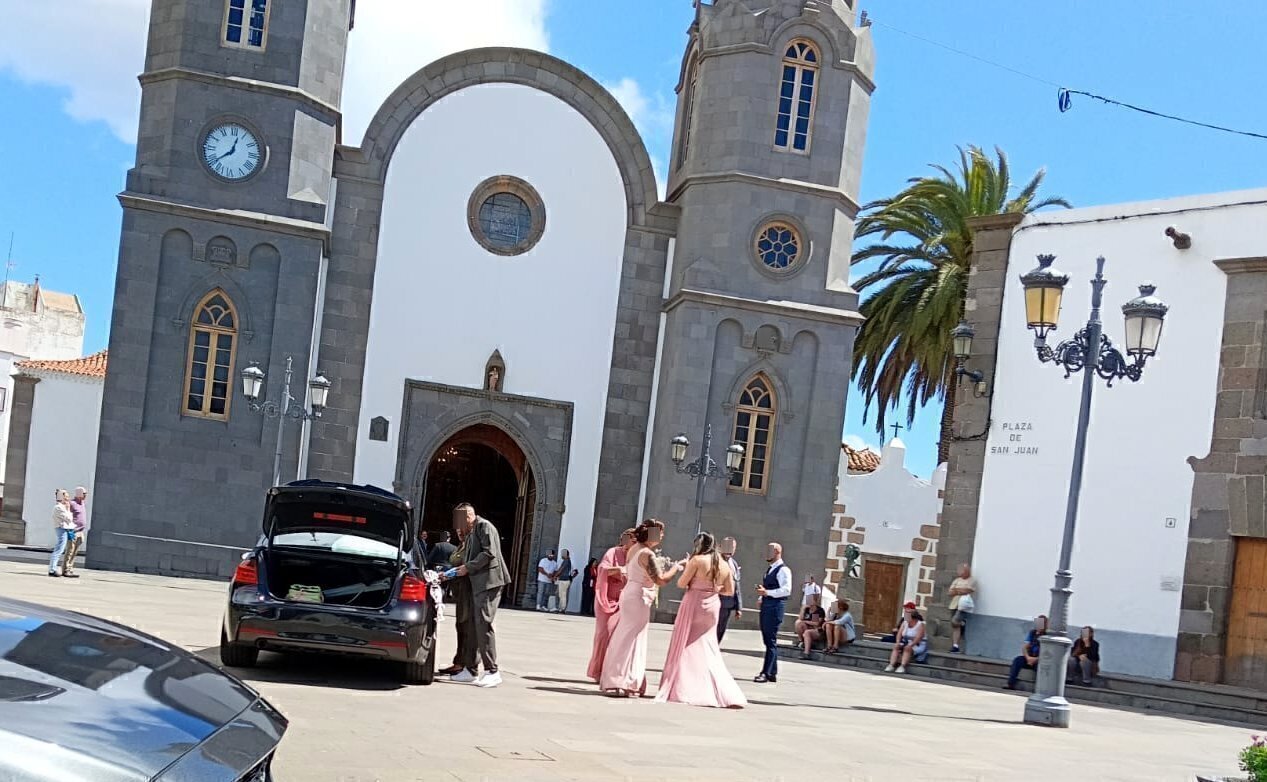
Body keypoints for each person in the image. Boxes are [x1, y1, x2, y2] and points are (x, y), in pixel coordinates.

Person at [654, 531, 747, 708]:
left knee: (686, 643)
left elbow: (681, 583)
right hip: (713, 604)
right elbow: (729, 591)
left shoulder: (697, 561)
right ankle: (720, 688)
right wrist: (714, 588)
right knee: (708, 645)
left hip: (694, 602)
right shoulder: (725, 565)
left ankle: (686, 686)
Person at [600, 519, 683, 697]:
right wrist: (675, 568)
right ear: (651, 534)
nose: (662, 536)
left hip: (629, 592)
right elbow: (660, 579)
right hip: (638, 596)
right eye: (659, 533)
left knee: (624, 636)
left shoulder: (633, 549)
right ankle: (625, 680)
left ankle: (616, 678)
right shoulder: (647, 554)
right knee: (633, 638)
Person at [443, 503, 510, 688]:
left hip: (489, 583)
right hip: (476, 583)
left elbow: (490, 553)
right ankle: (470, 670)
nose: (458, 528)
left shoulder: (484, 527)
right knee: (473, 624)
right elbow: (467, 558)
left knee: (483, 622)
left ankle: (492, 670)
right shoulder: (472, 532)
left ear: (469, 516)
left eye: (460, 521)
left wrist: (467, 568)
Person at [587, 528, 635, 681]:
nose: (629, 544)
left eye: (633, 541)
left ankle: (613, 671)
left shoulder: (638, 555)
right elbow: (602, 569)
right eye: (626, 540)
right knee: (604, 633)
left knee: (620, 637)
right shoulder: (613, 552)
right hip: (607, 599)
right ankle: (597, 671)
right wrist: (620, 570)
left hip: (626, 600)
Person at [438, 523, 474, 678]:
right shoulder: (461, 545)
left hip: (468, 590)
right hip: (459, 591)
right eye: (458, 530)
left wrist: (448, 574)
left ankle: (466, 665)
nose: (460, 532)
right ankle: (458, 662)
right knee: (460, 625)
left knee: (466, 627)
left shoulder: (472, 546)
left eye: (463, 530)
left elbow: (466, 567)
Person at [754, 541, 791, 683]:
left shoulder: (783, 570)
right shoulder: (770, 569)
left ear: (776, 552)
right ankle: (772, 672)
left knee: (770, 640)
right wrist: (761, 595)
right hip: (767, 604)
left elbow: (786, 590)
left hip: (775, 607)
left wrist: (767, 592)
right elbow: (768, 587)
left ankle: (766, 672)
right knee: (767, 639)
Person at [1005, 614, 1049, 690]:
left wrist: (1036, 659)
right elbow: (1025, 647)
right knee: (1017, 660)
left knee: (1041, 667)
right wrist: (1028, 658)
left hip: (1040, 659)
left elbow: (1047, 653)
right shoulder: (1032, 633)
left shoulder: (1048, 636)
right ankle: (1010, 683)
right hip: (1030, 658)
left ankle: (1039, 688)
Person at [884, 602, 927, 674]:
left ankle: (902, 666)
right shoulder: (905, 623)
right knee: (896, 646)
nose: (905, 616)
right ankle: (891, 665)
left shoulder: (920, 624)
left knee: (907, 648)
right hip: (906, 642)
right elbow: (899, 634)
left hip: (918, 644)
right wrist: (898, 642)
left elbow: (918, 638)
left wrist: (910, 645)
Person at [716, 536, 743, 642]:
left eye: (733, 547)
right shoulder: (716, 561)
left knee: (721, 630)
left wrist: (739, 607)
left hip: (728, 604)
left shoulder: (734, 563)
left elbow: (737, 585)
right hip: (717, 601)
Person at [947, 563, 977, 653]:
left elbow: (968, 590)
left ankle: (962, 625)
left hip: (964, 606)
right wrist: (960, 591)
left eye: (962, 571)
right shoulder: (957, 580)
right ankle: (955, 646)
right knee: (955, 625)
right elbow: (950, 592)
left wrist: (957, 590)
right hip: (954, 604)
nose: (960, 573)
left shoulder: (972, 580)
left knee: (955, 621)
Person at [60, 486, 89, 578]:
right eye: (84, 494)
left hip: (80, 531)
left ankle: (70, 568)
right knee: (70, 551)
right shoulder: (72, 503)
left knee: (75, 551)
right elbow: (66, 515)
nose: (85, 496)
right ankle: (65, 570)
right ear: (80, 494)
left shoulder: (82, 504)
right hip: (73, 531)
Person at [48, 489, 75, 578]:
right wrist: (68, 509)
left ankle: (53, 568)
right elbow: (69, 519)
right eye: (66, 496)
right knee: (59, 549)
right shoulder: (59, 507)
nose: (68, 498)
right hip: (61, 529)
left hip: (64, 528)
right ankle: (52, 569)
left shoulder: (61, 507)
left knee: (60, 548)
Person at [796, 594, 827, 659]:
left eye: (810, 600)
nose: (808, 601)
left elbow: (815, 624)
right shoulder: (806, 609)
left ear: (815, 601)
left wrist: (805, 622)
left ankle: (806, 653)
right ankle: (801, 641)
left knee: (807, 632)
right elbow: (800, 618)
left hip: (818, 630)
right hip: (808, 628)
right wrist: (803, 609)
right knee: (798, 623)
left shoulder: (818, 610)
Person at [555, 549, 578, 613]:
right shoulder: (561, 560)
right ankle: (558, 607)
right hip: (561, 579)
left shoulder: (570, 561)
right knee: (558, 593)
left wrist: (571, 578)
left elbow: (576, 571)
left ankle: (563, 609)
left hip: (566, 579)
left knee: (564, 594)